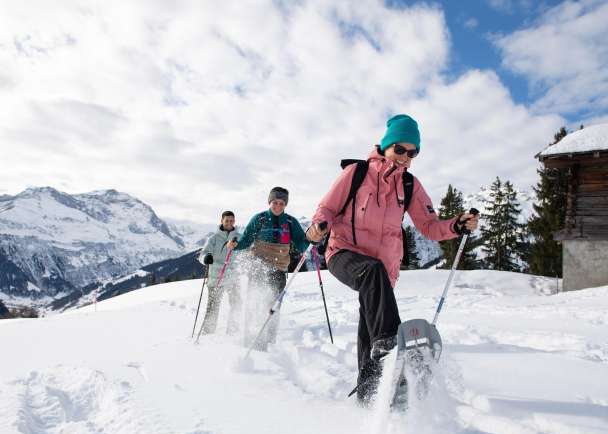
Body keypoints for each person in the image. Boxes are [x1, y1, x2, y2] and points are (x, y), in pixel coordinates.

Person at [306, 114, 479, 404]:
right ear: (386, 146)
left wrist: (457, 225)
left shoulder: (409, 185)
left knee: (370, 325)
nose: (405, 158)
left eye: (413, 153)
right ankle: (392, 345)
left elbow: (429, 226)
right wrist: (317, 226)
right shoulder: (357, 173)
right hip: (343, 253)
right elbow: (327, 208)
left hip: (383, 271)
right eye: (400, 149)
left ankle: (370, 392)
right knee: (375, 292)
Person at [227, 187, 310, 350]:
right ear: (269, 202)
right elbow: (246, 240)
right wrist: (235, 245)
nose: (278, 206)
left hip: (279, 268)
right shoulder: (259, 219)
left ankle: (269, 341)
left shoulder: (290, 222)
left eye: (281, 203)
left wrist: (311, 238)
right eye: (275, 202)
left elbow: (301, 244)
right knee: (254, 301)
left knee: (273, 306)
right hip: (258, 265)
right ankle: (249, 337)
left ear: (285, 204)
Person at [199, 211, 242, 335]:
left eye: (231, 220)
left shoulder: (239, 237)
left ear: (234, 221)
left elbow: (247, 250)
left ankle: (233, 331)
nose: (229, 223)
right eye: (227, 220)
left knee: (237, 303)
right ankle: (208, 333)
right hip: (216, 277)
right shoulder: (214, 238)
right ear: (222, 221)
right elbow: (203, 254)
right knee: (213, 306)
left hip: (233, 276)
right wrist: (206, 258)